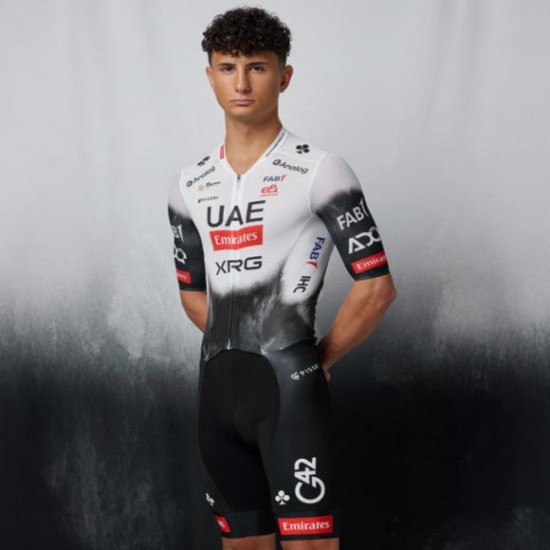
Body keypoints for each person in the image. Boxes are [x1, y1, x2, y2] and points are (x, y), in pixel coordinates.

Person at [168, 7, 396, 549]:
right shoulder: (188, 183)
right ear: (210, 77)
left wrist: (314, 362)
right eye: (227, 68)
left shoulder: (320, 170)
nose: (241, 83)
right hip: (215, 395)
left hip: (288, 396)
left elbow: (377, 288)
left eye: (257, 67)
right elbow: (193, 295)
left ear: (284, 76)